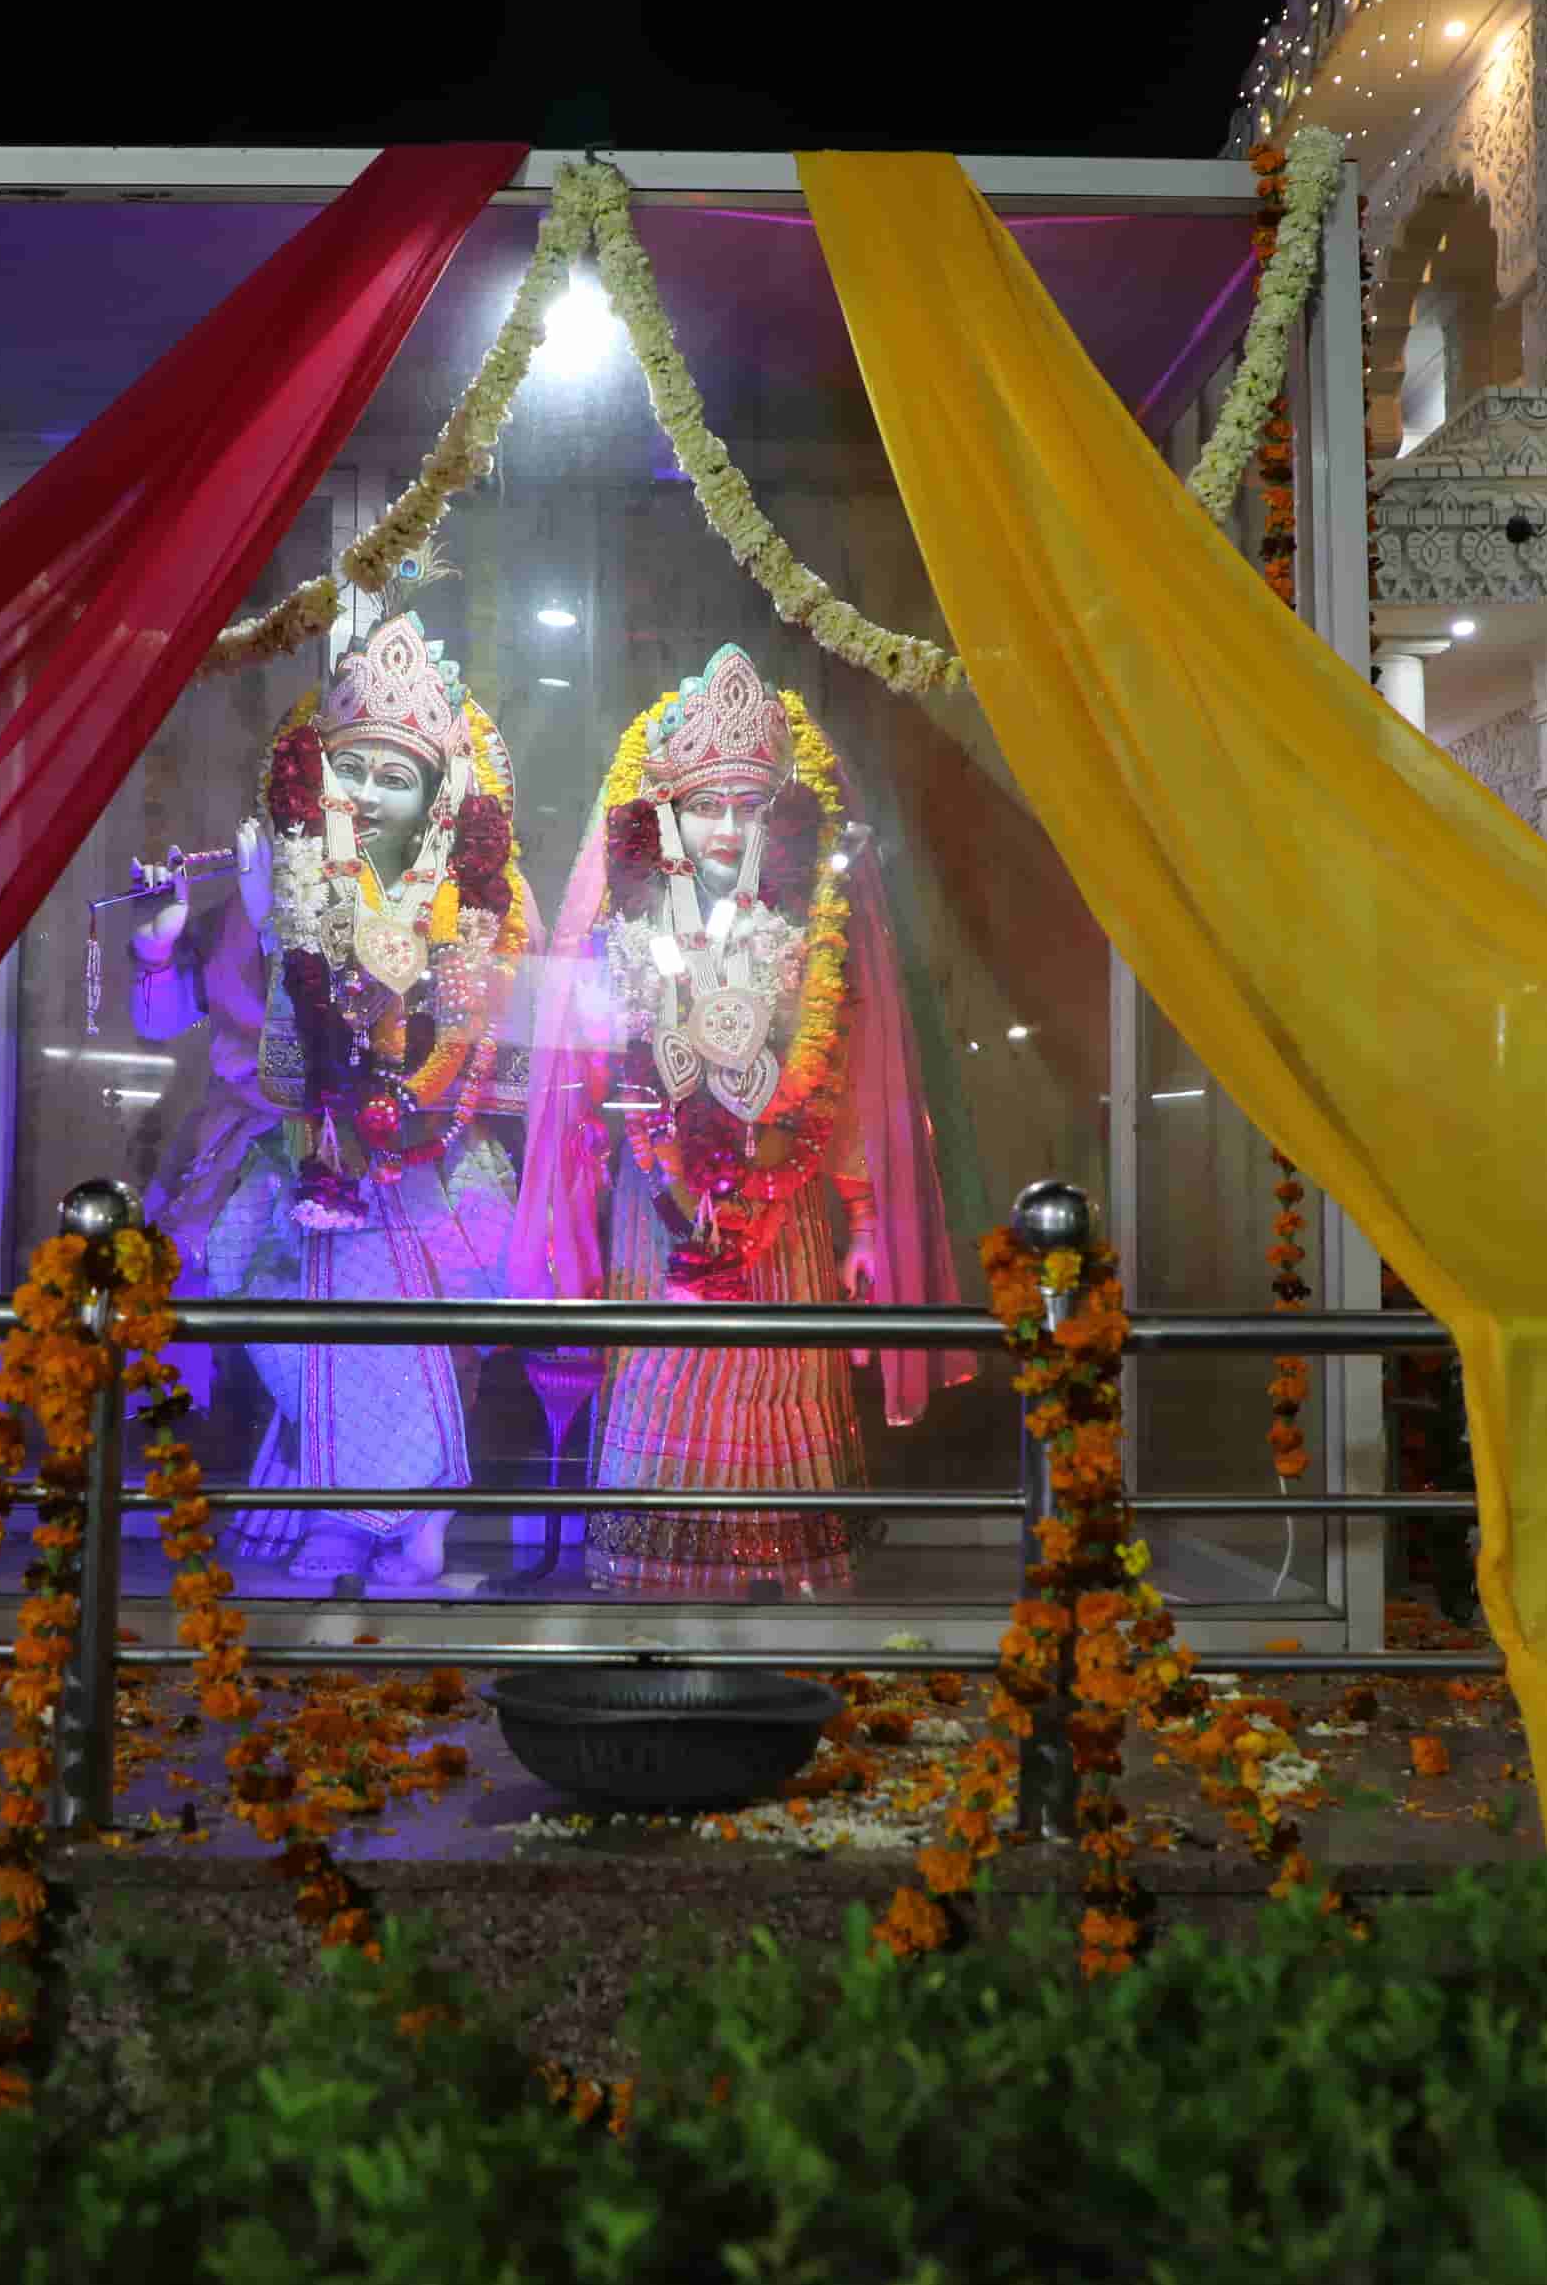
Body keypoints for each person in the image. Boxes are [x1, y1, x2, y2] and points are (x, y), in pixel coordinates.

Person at [505, 644, 970, 1599]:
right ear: (665, 814)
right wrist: (579, 1205)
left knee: (778, 1370)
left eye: (745, 807)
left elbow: (843, 1084)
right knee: (665, 1369)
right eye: (704, 805)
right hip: (659, 1205)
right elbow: (586, 1077)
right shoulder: (624, 927)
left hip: (785, 1193)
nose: (723, 828)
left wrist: (870, 1219)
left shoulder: (812, 929)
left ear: (776, 819)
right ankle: (659, 1579)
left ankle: (782, 1571)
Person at [129, 615, 535, 1588]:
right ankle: (350, 1516)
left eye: (398, 778)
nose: (369, 797)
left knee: (417, 1331)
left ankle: (419, 1519)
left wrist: (401, 1119)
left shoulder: (476, 900)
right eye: (352, 773)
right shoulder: (282, 881)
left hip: (424, 1158)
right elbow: (258, 1060)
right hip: (300, 1156)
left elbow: (476, 1053)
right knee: (300, 1325)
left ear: (442, 797)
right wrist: (219, 932)